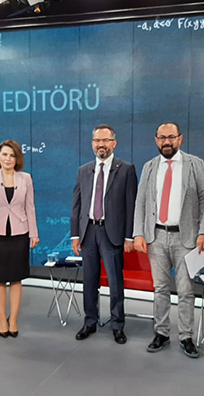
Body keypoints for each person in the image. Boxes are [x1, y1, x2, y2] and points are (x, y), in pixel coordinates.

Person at [133, 122, 204, 358]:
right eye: (162, 138)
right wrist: (138, 233)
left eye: (171, 137)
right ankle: (161, 333)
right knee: (160, 288)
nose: (166, 142)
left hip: (186, 238)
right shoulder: (149, 166)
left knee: (186, 290)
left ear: (180, 139)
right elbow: (141, 202)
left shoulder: (195, 164)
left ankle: (186, 336)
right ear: (156, 140)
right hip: (156, 236)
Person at [71, 125, 137, 344]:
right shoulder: (84, 170)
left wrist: (129, 236)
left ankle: (117, 325)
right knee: (89, 280)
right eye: (97, 140)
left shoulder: (126, 169)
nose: (101, 144)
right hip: (88, 232)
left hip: (113, 233)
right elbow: (76, 205)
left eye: (105, 140)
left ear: (114, 143)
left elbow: (131, 205)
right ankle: (90, 322)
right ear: (92, 144)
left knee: (115, 282)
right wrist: (75, 235)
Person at [0, 140, 39, 338]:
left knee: (16, 278)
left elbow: (30, 207)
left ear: (17, 159)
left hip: (20, 233)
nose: (8, 159)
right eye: (4, 154)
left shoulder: (26, 178)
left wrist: (33, 233)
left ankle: (13, 320)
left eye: (12, 155)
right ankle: (2, 320)